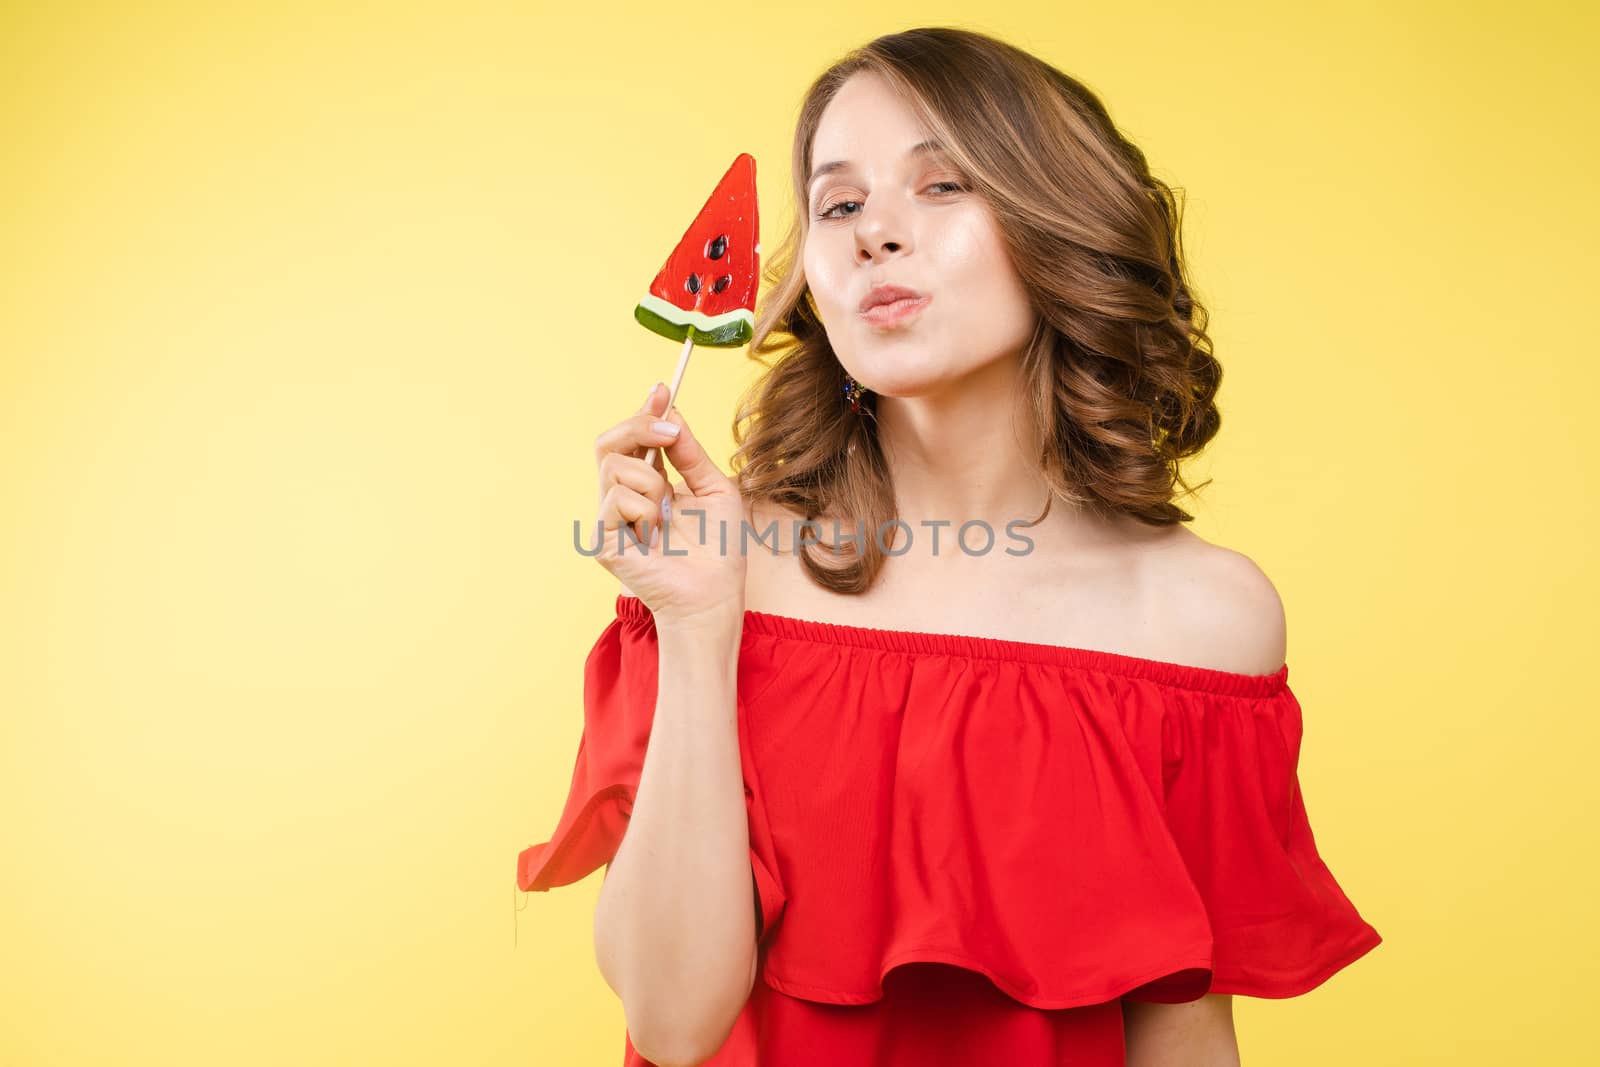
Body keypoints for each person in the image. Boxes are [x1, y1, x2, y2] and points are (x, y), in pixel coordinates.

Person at [518, 26, 1382, 1067]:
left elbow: (1183, 1037)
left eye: (941, 186)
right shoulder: (717, 564)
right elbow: (671, 1017)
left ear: (1057, 219)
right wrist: (698, 625)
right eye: (838, 204)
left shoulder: (1205, 618)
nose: (874, 234)